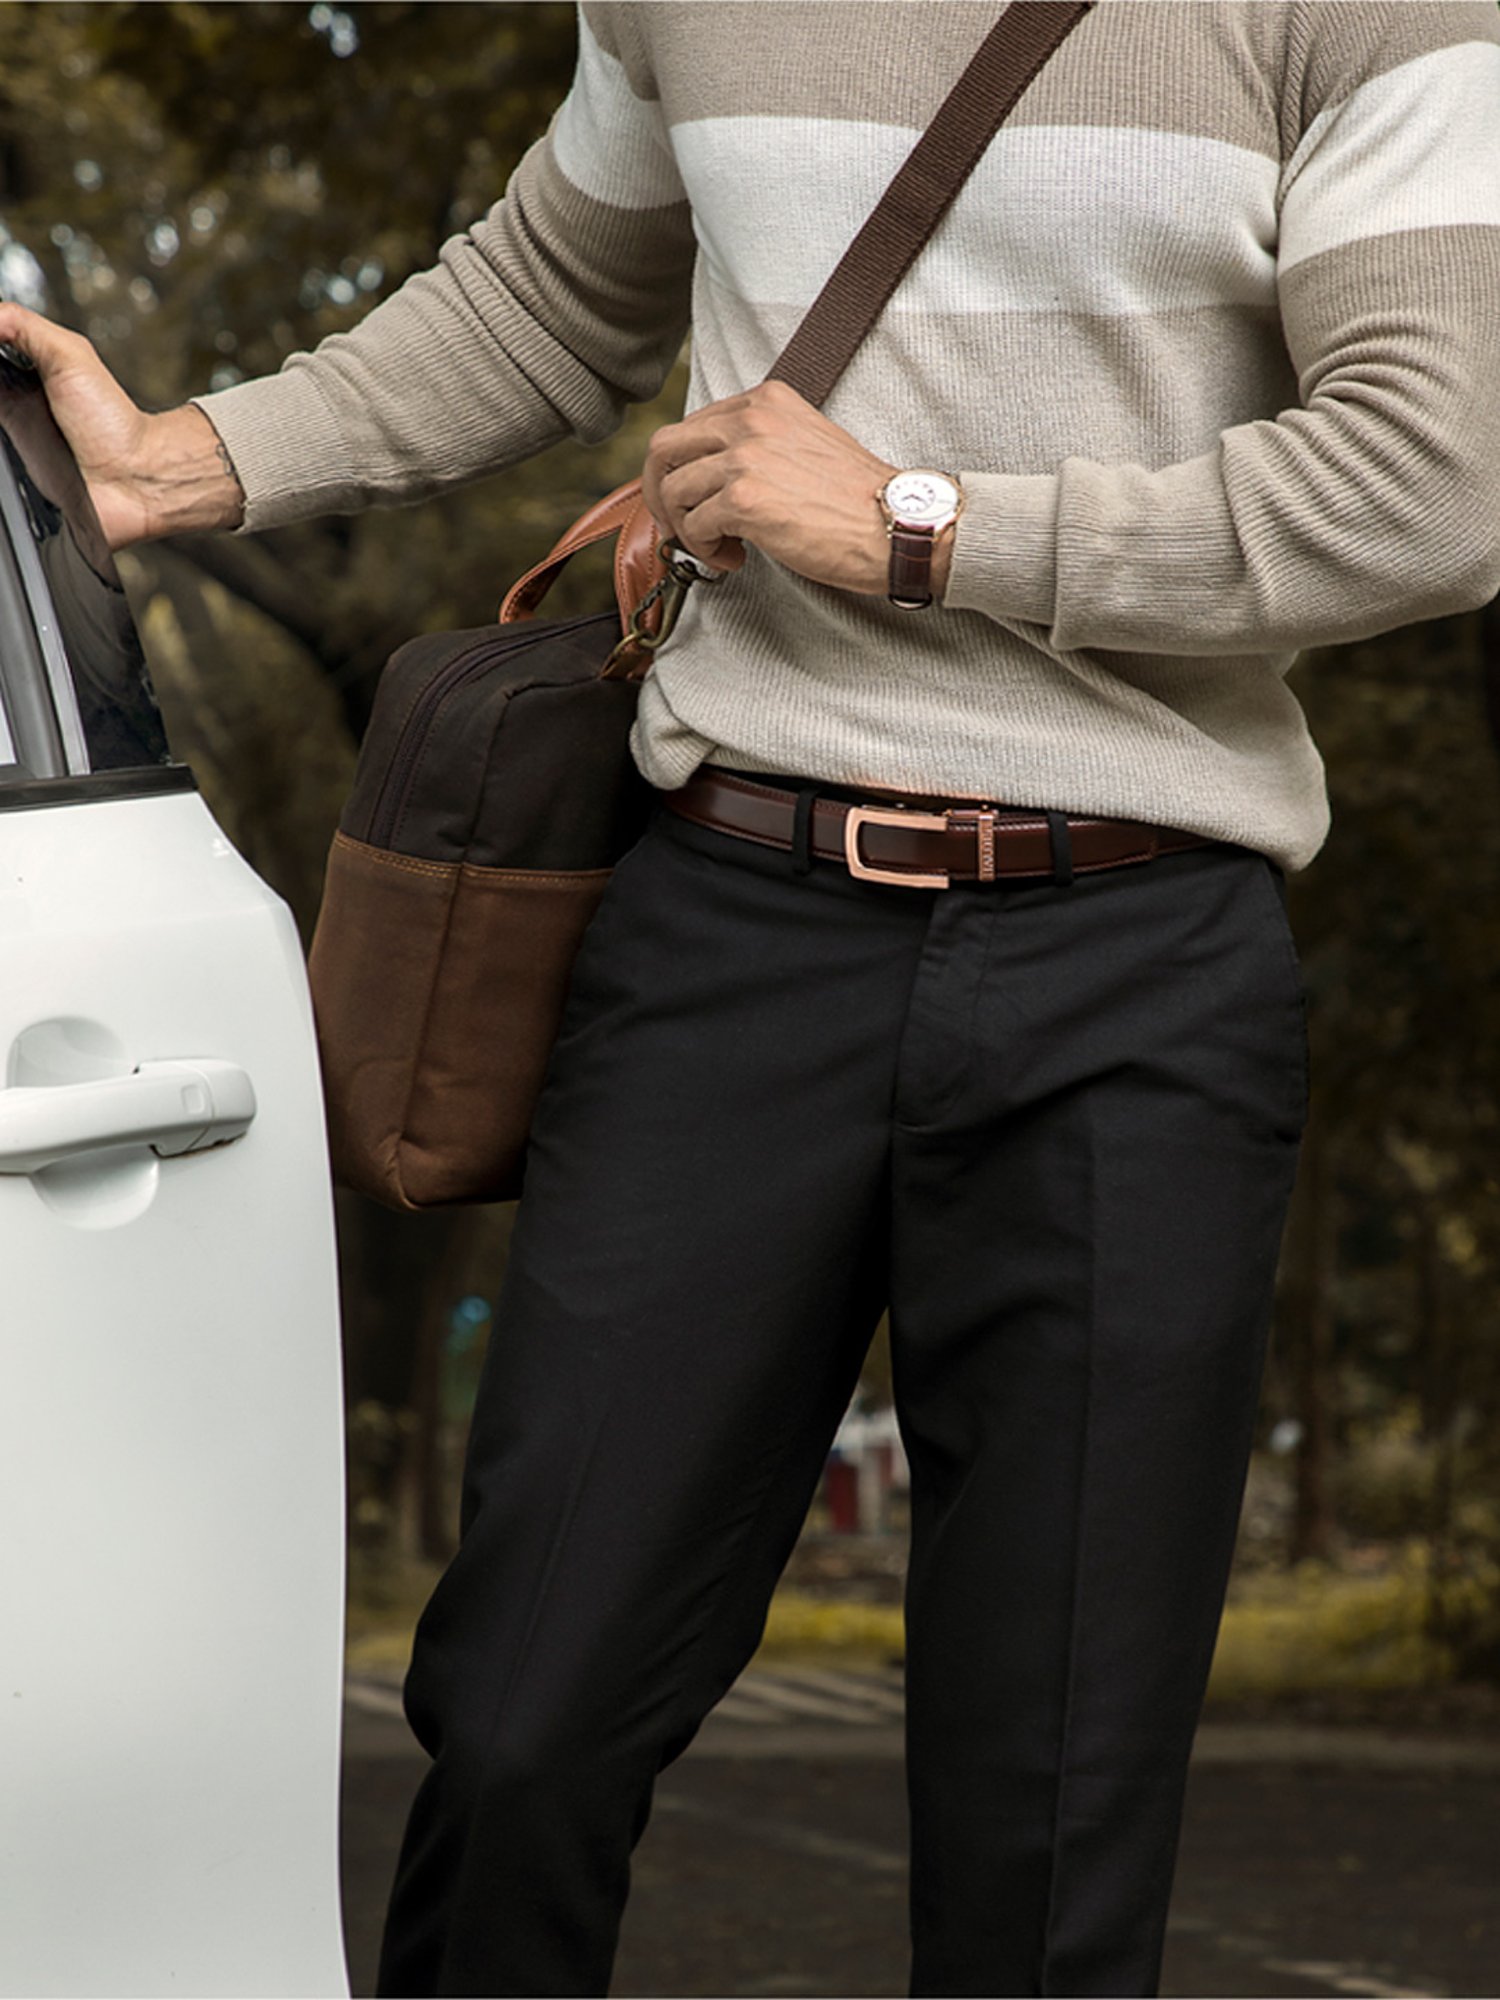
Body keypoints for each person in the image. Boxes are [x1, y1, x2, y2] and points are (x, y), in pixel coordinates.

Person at [5, 4, 1498, 1992]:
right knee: (525, 1719)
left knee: (1045, 1828)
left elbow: (1427, 475)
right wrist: (183, 463)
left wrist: (917, 529)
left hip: (1135, 969)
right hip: (727, 928)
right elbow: (550, 291)